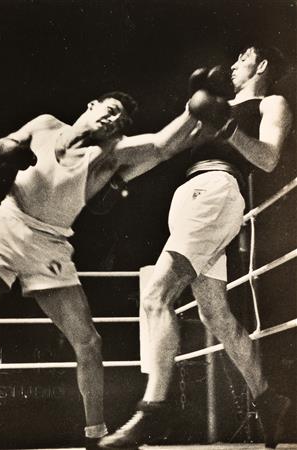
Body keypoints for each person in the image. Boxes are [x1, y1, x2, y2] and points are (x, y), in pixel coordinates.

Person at [0, 91, 203, 448]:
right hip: (4, 229)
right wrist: (3, 149)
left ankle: (95, 436)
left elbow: (162, 145)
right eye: (111, 111)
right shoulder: (44, 124)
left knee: (88, 342)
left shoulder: (110, 153)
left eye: (120, 121)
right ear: (92, 106)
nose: (114, 121)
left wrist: (195, 108)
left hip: (50, 246)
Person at [100, 46, 293, 450]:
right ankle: (269, 399)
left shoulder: (270, 102)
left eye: (245, 58)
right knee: (215, 315)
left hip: (217, 192)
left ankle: (152, 409)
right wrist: (119, 181)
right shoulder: (215, 106)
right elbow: (163, 148)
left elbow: (271, 158)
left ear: (263, 66)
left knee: (156, 293)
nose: (236, 63)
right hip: (193, 195)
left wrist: (230, 131)